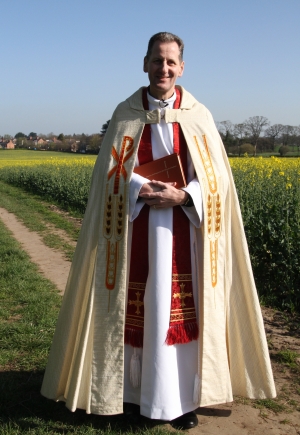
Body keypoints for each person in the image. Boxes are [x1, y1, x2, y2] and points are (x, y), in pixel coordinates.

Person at [41, 32, 276, 430]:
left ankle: (180, 401)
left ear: (181, 67)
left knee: (177, 312)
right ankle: (133, 396)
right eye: (156, 60)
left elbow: (216, 180)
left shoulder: (198, 115)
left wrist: (184, 196)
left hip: (184, 232)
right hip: (134, 231)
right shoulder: (125, 113)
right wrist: (139, 188)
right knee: (137, 311)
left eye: (170, 62)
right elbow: (107, 174)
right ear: (144, 63)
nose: (163, 68)